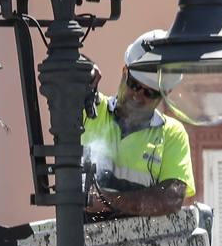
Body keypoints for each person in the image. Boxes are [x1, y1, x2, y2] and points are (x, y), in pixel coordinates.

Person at [82, 31, 195, 219]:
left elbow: (171, 198)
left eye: (150, 93)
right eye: (134, 84)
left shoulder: (171, 133)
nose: (138, 95)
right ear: (124, 72)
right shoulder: (91, 111)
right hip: (78, 242)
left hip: (141, 245)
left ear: (165, 93)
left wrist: (106, 201)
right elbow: (61, 71)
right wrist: (82, 67)